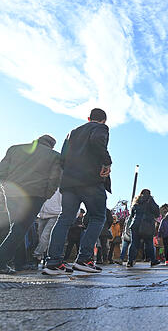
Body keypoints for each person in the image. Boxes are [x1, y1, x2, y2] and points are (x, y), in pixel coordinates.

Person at [44, 108, 113, 275]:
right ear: (103, 120)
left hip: (69, 181)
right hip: (90, 179)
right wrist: (107, 162)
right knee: (97, 217)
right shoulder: (101, 128)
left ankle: (53, 262)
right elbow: (97, 141)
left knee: (65, 218)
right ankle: (84, 259)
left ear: (88, 118)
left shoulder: (72, 132)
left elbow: (63, 157)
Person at [0, 135, 61, 274]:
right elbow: (54, 179)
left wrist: (4, 188)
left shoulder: (14, 149)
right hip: (35, 195)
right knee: (19, 228)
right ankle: (2, 261)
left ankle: (18, 263)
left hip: (12, 193)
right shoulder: (54, 156)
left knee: (15, 228)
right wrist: (47, 195)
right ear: (52, 145)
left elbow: (1, 171)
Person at [127, 189, 160, 267]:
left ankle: (130, 261)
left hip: (135, 224)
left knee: (134, 243)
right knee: (149, 243)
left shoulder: (136, 202)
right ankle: (153, 260)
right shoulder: (151, 201)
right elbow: (157, 213)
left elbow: (132, 215)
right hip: (147, 225)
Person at [34, 189, 62, 262]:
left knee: (45, 236)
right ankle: (42, 256)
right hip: (41, 215)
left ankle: (36, 254)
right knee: (41, 237)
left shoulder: (59, 189)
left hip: (54, 214)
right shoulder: (43, 188)